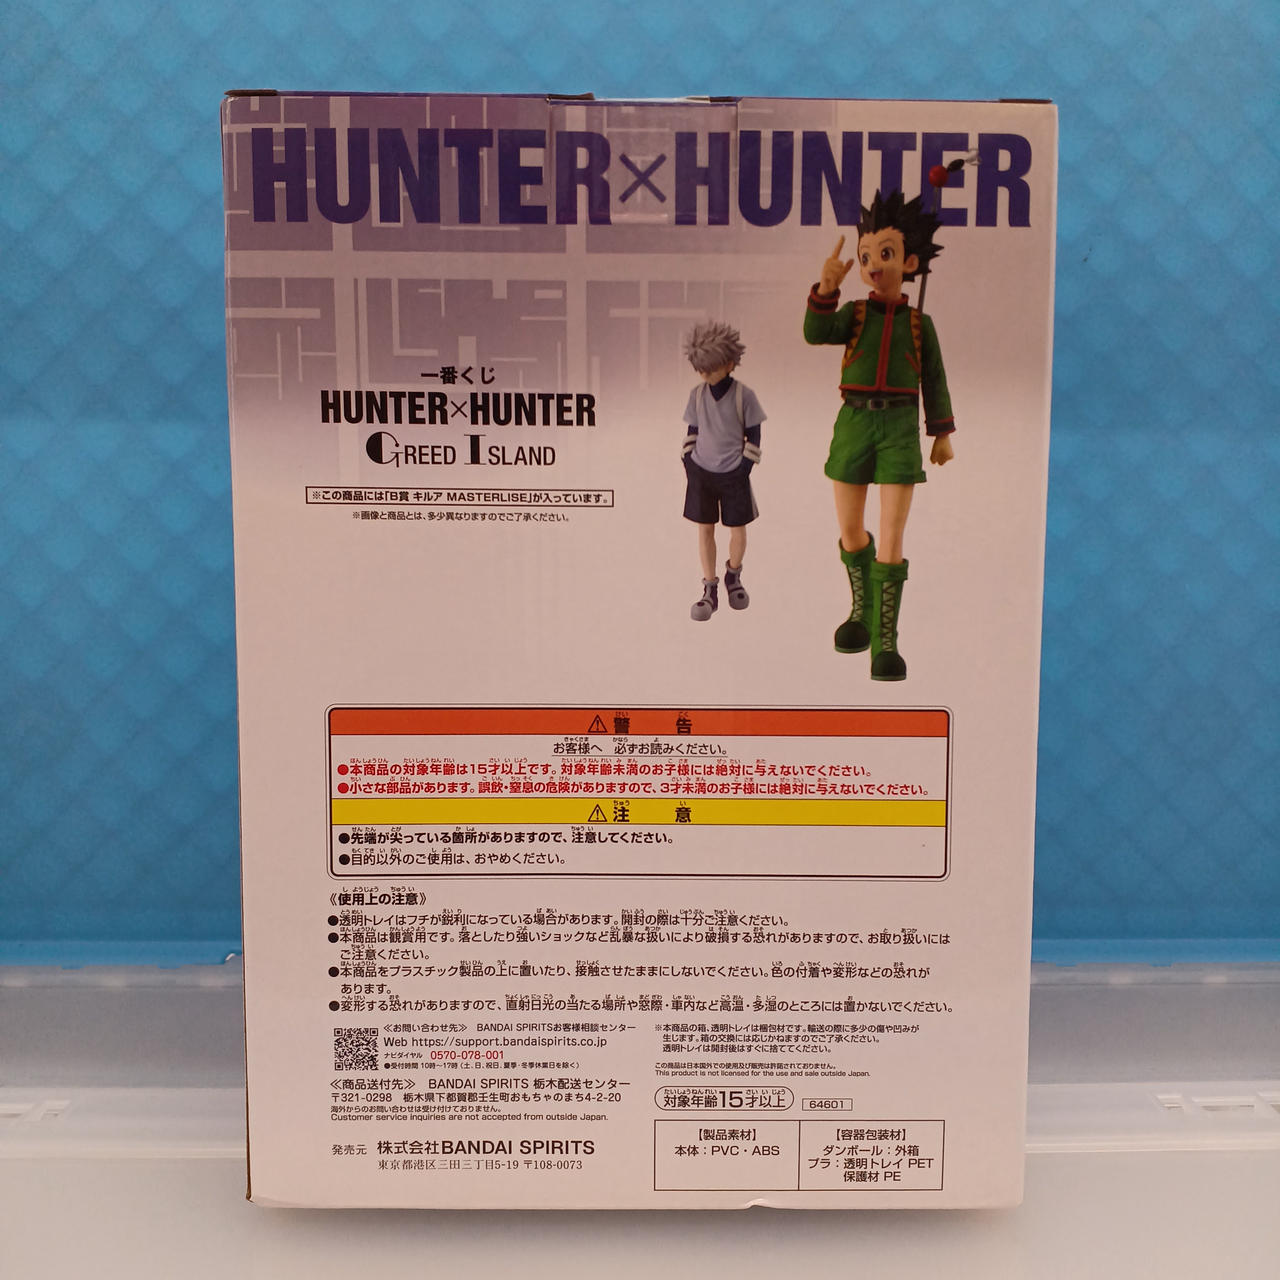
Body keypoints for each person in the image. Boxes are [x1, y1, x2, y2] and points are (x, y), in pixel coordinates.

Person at [803, 189, 955, 680]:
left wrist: (941, 432)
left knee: (892, 535)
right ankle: (862, 612)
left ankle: (885, 639)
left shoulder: (920, 325)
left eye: (884, 254)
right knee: (851, 530)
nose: (872, 266)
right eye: (866, 256)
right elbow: (815, 334)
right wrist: (826, 290)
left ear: (910, 262)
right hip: (853, 423)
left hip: (899, 429)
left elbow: (934, 380)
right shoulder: (854, 314)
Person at [679, 321, 766, 622]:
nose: (705, 374)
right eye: (700, 368)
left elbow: (754, 435)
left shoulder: (744, 396)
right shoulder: (697, 395)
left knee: (737, 528)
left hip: (734, 473)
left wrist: (744, 467)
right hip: (701, 472)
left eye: (710, 367)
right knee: (705, 529)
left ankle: (733, 575)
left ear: (729, 363)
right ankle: (709, 588)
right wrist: (689, 462)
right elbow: (692, 431)